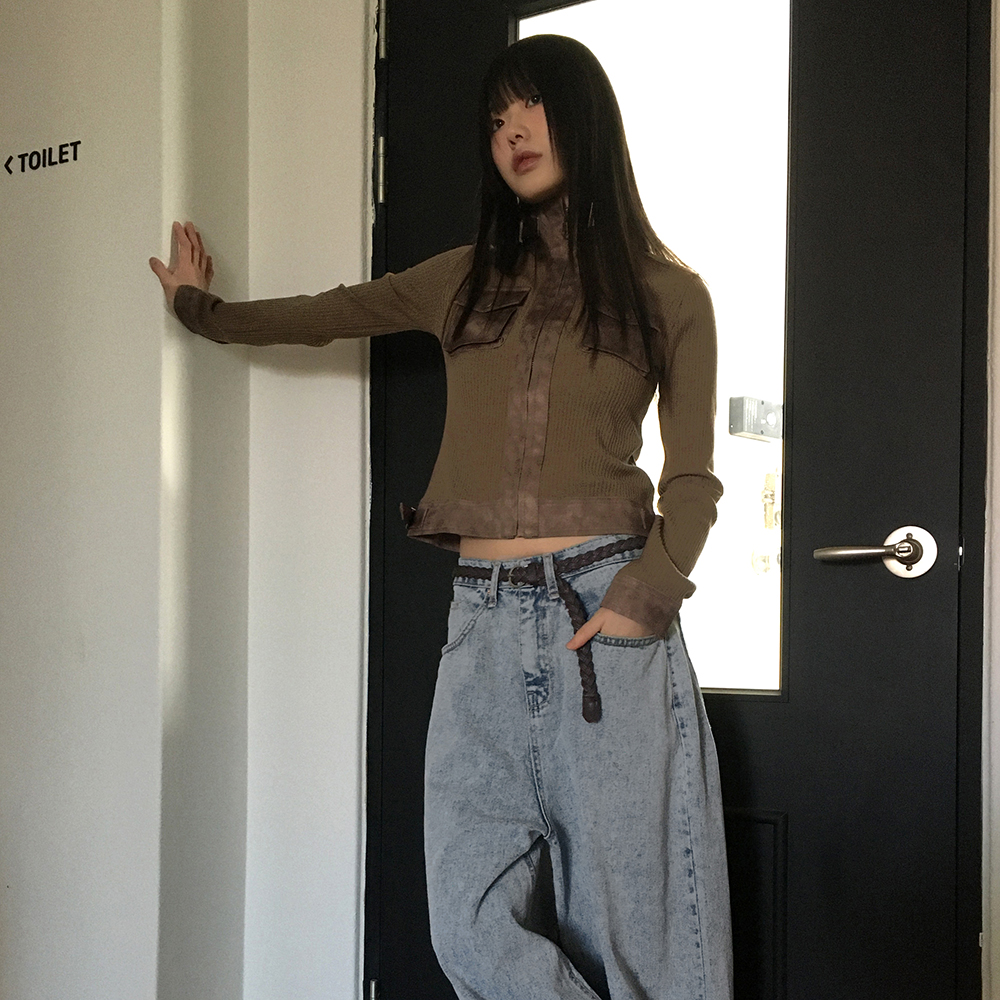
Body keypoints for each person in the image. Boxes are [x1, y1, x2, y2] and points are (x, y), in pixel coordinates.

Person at [151, 33, 731, 1000]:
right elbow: (328, 312)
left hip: (607, 618)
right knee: (467, 917)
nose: (511, 134)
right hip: (481, 619)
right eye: (495, 121)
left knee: (637, 925)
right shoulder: (463, 277)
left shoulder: (672, 293)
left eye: (529, 106)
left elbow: (695, 477)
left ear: (583, 114)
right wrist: (199, 311)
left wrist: (649, 591)